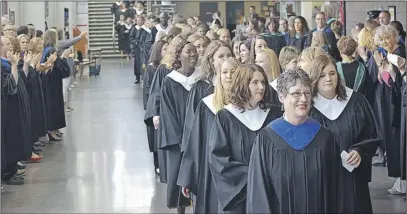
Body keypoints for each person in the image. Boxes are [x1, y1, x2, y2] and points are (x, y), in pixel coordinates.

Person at [246, 69, 338, 213]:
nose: (303, 99)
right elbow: (259, 193)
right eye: (296, 93)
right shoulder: (267, 139)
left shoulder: (324, 137)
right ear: (281, 96)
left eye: (307, 93)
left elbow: (335, 191)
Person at [309, 54, 381, 213]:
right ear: (314, 78)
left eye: (332, 73)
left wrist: (359, 150)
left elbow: (371, 134)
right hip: (321, 177)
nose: (328, 78)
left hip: (352, 176)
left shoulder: (355, 101)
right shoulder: (308, 108)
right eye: (322, 75)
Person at [208, 64, 282, 213]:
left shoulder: (274, 114)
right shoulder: (225, 117)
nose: (261, 87)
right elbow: (219, 158)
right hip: (239, 194)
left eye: (263, 82)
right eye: (254, 82)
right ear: (242, 84)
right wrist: (255, 176)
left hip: (272, 190)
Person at [178, 58, 240, 214]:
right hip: (210, 172)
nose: (229, 76)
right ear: (218, 76)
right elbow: (195, 143)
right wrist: (188, 178)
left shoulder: (248, 110)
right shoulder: (207, 106)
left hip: (236, 175)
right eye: (224, 72)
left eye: (233, 72)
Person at [157, 35, 201, 213]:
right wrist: (182, 139)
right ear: (178, 55)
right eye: (188, 51)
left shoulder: (202, 81)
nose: (193, 54)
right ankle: (181, 210)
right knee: (179, 177)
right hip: (179, 141)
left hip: (199, 137)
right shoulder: (170, 81)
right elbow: (166, 112)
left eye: (195, 51)